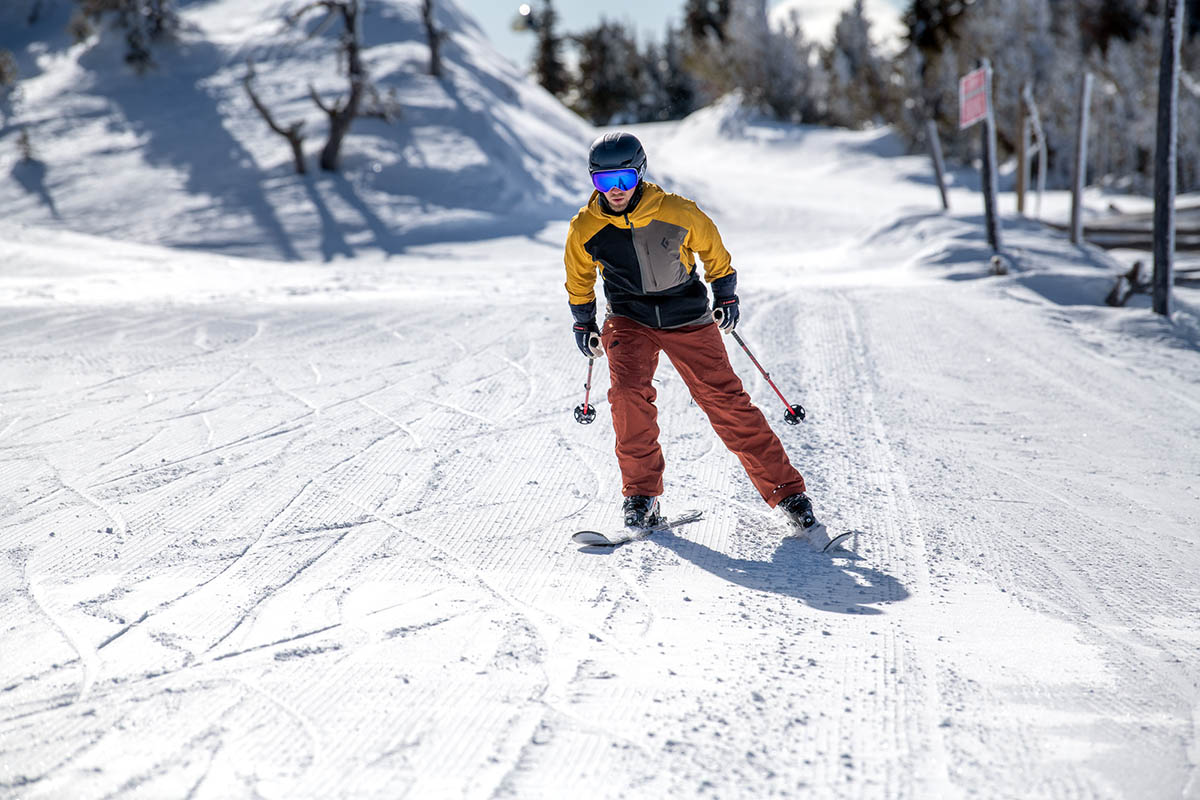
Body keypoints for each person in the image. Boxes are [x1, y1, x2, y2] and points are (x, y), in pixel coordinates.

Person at [563, 131, 825, 543]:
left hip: (687, 315)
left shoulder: (677, 211)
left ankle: (788, 495)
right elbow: (579, 277)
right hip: (629, 318)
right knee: (628, 396)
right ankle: (641, 497)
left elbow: (714, 252)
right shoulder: (585, 226)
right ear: (593, 181)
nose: (615, 191)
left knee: (725, 401)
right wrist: (583, 320)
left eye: (625, 181)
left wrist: (725, 293)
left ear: (641, 174)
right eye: (604, 182)